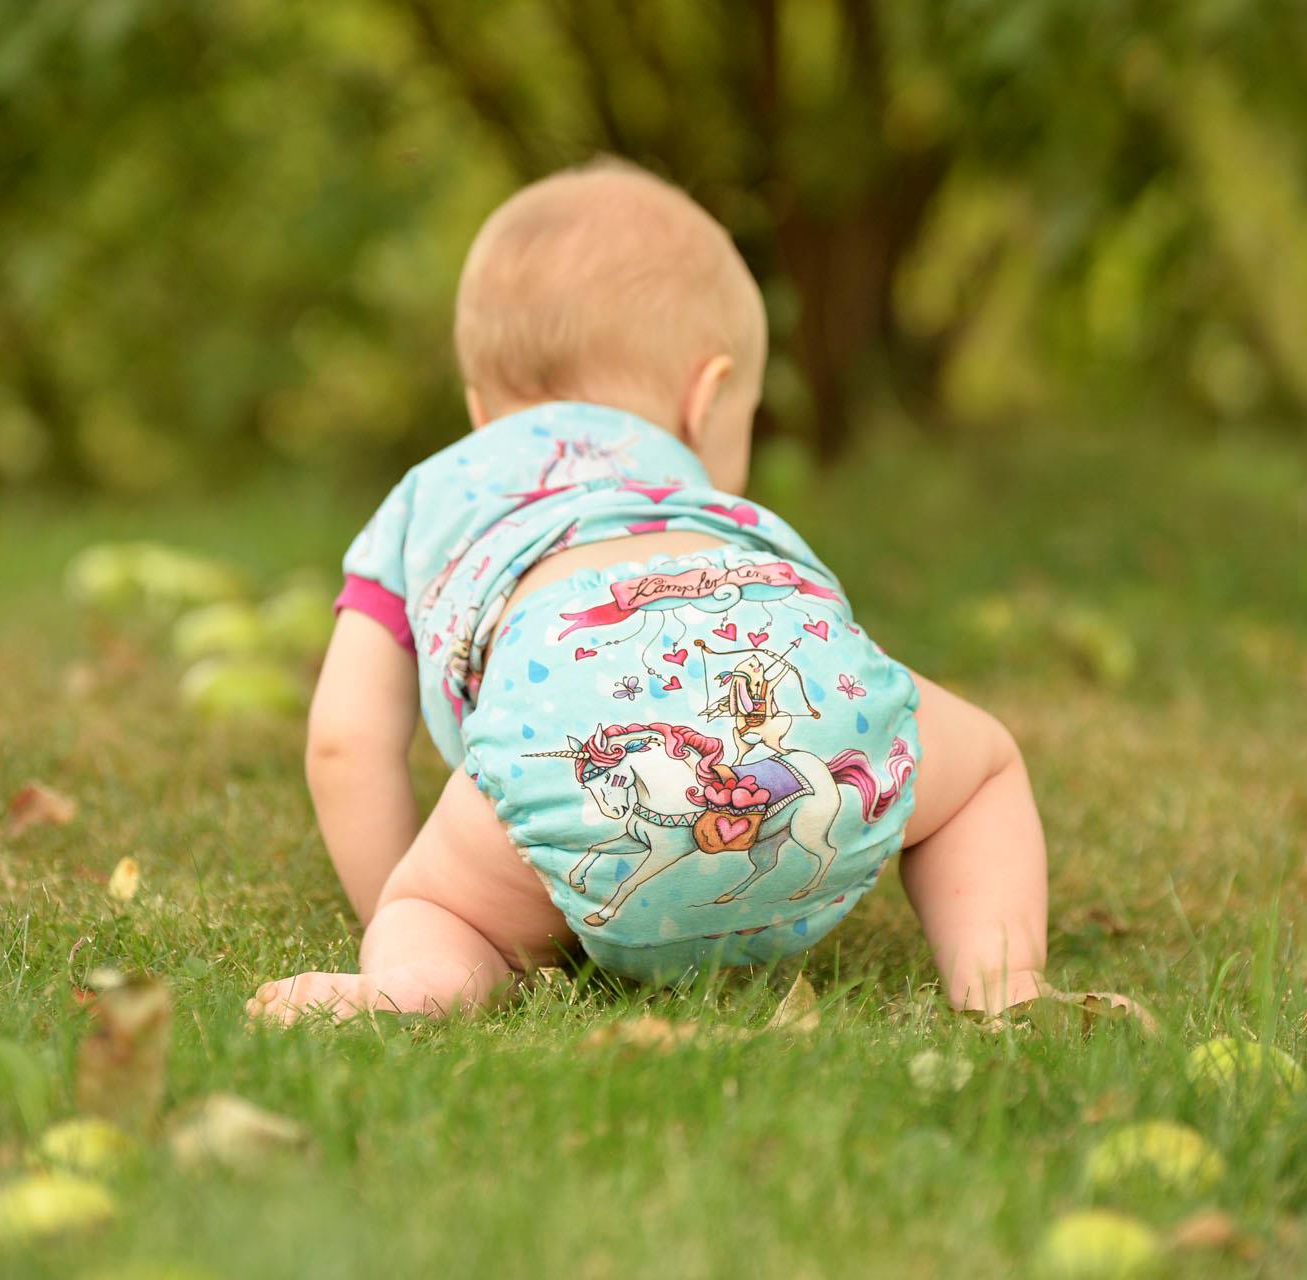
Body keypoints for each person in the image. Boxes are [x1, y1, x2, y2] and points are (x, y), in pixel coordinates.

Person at [247, 159, 1049, 1022]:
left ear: (483, 411)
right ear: (706, 402)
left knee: (435, 913)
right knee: (984, 768)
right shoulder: (706, 499)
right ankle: (1003, 984)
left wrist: (411, 902)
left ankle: (420, 981)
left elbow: (344, 744)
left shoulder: (426, 498)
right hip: (796, 673)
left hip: (562, 729)